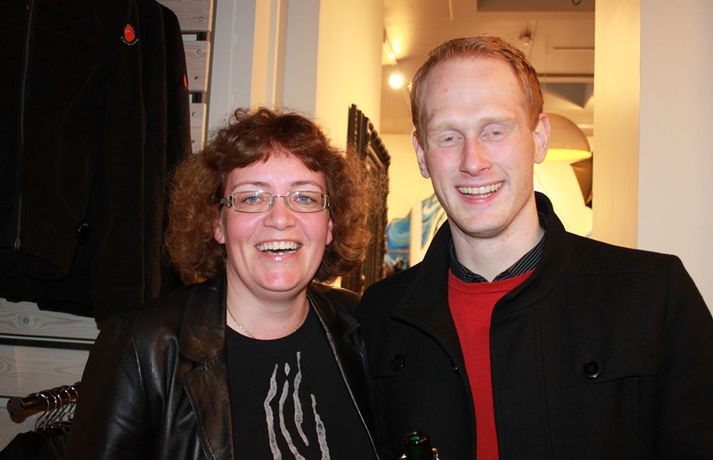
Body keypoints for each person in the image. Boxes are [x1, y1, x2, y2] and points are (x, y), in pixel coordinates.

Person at [359, 36, 713, 459]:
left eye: (495, 131)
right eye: (448, 137)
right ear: (421, 154)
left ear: (539, 137)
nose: (473, 161)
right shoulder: (379, 316)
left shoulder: (654, 296)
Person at [64, 107, 380, 459]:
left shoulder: (361, 328)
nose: (280, 219)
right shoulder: (143, 347)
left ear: (330, 224)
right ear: (217, 223)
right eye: (251, 198)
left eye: (304, 197)